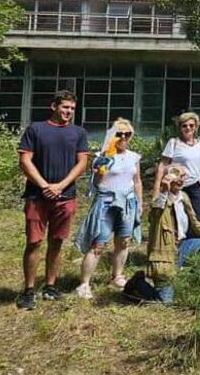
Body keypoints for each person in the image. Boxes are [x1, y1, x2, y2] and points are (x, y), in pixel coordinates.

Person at [16, 89, 89, 309]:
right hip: (37, 197)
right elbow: (25, 160)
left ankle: (50, 286)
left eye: (72, 108)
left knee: (57, 242)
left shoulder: (78, 133)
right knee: (34, 242)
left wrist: (60, 186)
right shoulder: (36, 129)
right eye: (65, 107)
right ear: (54, 106)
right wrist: (44, 185)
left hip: (65, 197)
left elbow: (82, 163)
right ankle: (29, 290)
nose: (69, 111)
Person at [74, 118, 143, 300]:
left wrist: (140, 203)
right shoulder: (102, 156)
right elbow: (96, 183)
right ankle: (84, 284)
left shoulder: (134, 157)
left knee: (123, 241)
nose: (123, 137)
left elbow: (137, 181)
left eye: (127, 134)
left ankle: (117, 276)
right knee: (98, 244)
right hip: (106, 202)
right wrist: (99, 171)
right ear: (112, 135)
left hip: (127, 202)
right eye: (119, 134)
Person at [147, 166, 200, 303]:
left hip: (183, 245)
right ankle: (138, 285)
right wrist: (164, 190)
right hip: (166, 253)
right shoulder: (160, 200)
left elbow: (194, 222)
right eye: (177, 176)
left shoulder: (183, 197)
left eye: (183, 176)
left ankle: (191, 280)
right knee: (165, 302)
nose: (181, 180)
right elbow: (156, 211)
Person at [155, 112, 200, 223]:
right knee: (178, 221)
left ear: (196, 127)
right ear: (180, 128)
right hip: (177, 187)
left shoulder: (199, 144)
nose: (188, 128)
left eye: (191, 125)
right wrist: (157, 188)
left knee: (198, 221)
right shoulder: (174, 143)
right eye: (184, 126)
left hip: (195, 186)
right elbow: (162, 165)